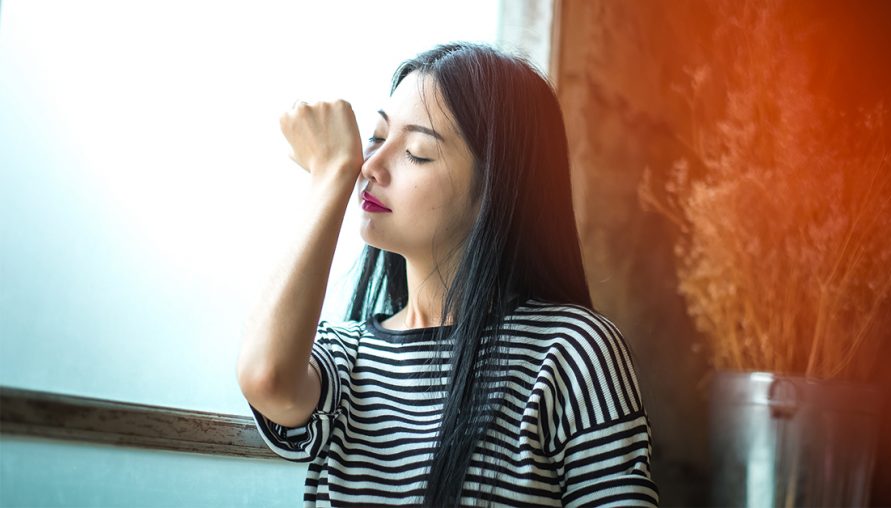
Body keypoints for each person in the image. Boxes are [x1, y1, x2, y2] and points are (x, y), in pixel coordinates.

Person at [236, 42, 659, 507]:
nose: (370, 166)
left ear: (495, 190)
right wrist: (331, 174)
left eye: (417, 152)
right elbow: (267, 379)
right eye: (377, 138)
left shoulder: (571, 351)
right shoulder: (347, 357)